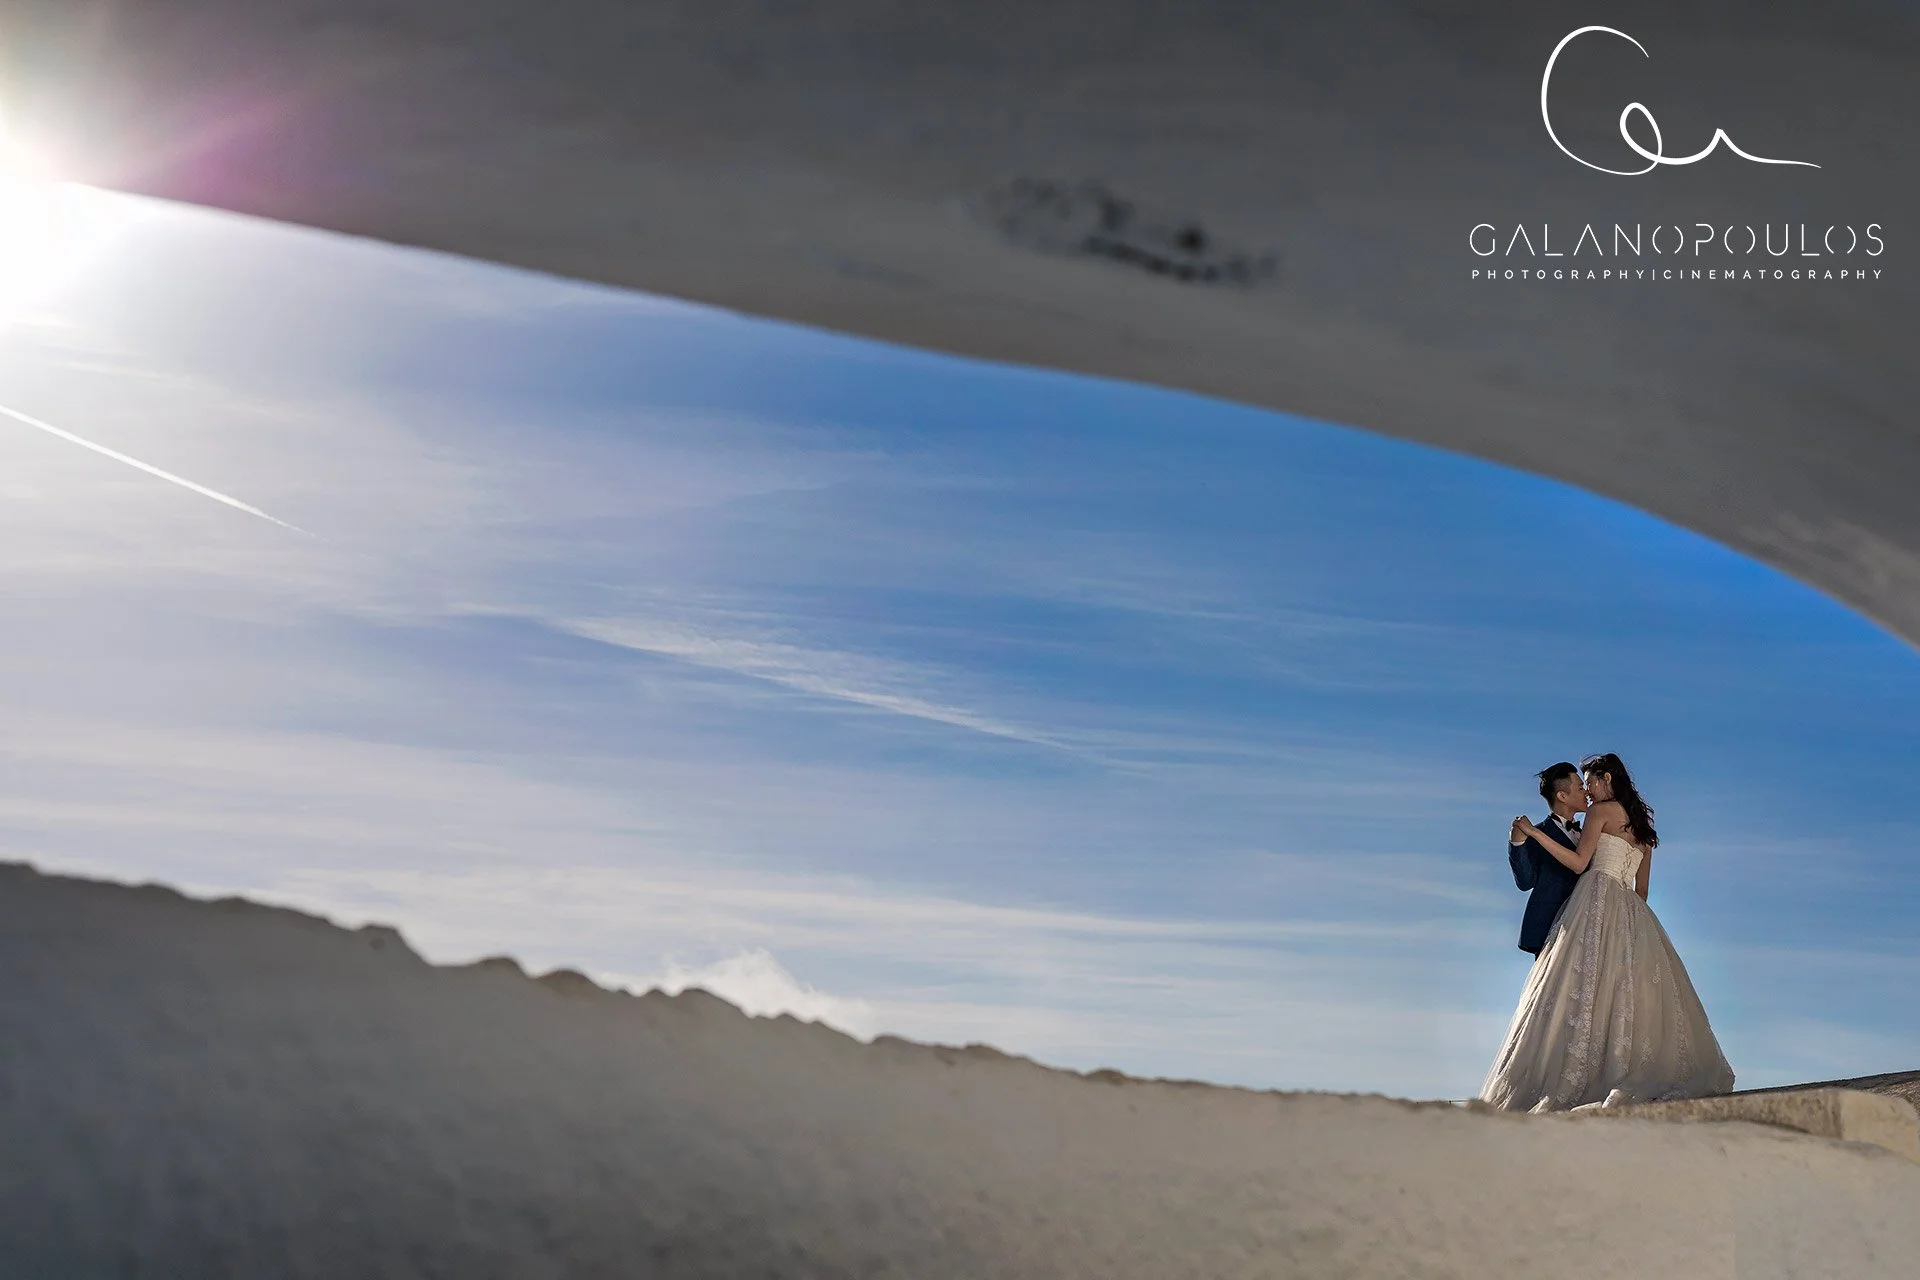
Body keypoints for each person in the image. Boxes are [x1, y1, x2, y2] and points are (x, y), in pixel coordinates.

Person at [1479, 753, 1734, 1111]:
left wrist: (1534, 833)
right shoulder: (1644, 832)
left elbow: (1581, 863)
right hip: (1631, 911)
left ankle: (1580, 1073)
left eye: (1591, 781)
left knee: (1578, 993)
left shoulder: (1600, 813)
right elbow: (1641, 892)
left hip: (1594, 900)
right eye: (1582, 785)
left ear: (1607, 778)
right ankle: (1619, 1065)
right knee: (1623, 995)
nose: (1588, 790)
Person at [1507, 762, 1588, 956]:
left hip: (1587, 924)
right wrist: (1516, 843)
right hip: (1553, 929)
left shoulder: (1589, 834)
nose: (1586, 792)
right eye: (1580, 787)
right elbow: (1525, 882)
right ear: (1562, 796)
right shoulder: (1536, 834)